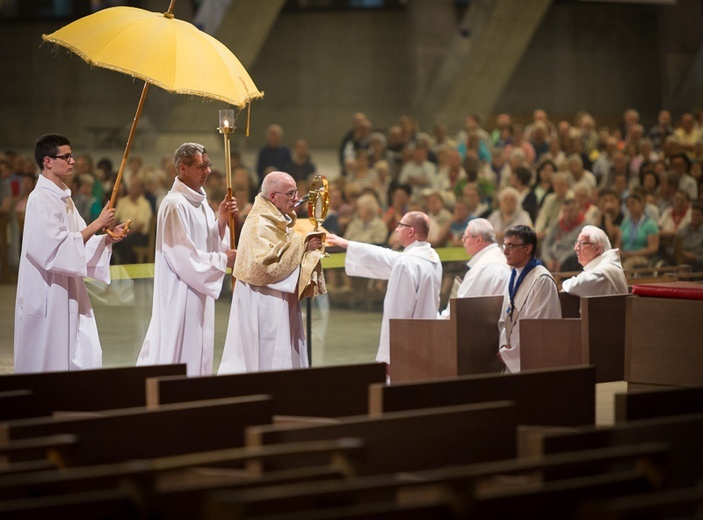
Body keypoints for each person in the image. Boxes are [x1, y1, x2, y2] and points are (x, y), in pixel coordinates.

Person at [14, 134, 127, 373]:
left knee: (84, 352)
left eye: (71, 156)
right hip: (48, 290)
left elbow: (80, 240)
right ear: (48, 161)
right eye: (66, 157)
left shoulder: (64, 199)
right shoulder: (40, 200)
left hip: (69, 289)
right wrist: (97, 224)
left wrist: (106, 237)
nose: (72, 161)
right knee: (49, 357)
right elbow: (53, 249)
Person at [136, 143, 237, 376]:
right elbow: (183, 256)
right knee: (180, 347)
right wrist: (222, 259)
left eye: (208, 165)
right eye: (201, 166)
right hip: (180, 291)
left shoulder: (200, 203)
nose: (208, 171)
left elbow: (206, 240)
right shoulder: (174, 205)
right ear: (183, 168)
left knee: (198, 348)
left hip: (197, 290)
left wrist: (220, 221)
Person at [218, 171, 324, 374]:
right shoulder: (260, 223)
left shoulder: (277, 218)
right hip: (263, 300)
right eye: (290, 193)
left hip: (278, 297)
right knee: (266, 351)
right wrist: (303, 244)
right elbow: (264, 266)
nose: (296, 198)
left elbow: (284, 251)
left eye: (295, 192)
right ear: (273, 197)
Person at [327, 211, 442, 373]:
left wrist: (390, 350)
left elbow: (397, 309)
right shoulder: (431, 257)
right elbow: (388, 256)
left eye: (401, 225)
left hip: (404, 343)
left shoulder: (406, 263)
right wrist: (348, 244)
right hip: (426, 337)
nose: (396, 229)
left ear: (411, 231)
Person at [498, 225, 561, 373]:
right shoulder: (514, 275)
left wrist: (510, 354)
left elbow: (539, 329)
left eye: (511, 246)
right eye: (505, 245)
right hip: (510, 355)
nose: (505, 251)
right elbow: (506, 317)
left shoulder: (542, 280)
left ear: (528, 248)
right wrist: (503, 347)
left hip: (531, 361)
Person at [439, 218, 510, 318]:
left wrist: (440, 319)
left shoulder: (483, 267)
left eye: (465, 237)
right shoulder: (497, 259)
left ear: (478, 240)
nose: (462, 241)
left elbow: (460, 308)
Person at [561, 225, 628, 296]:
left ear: (597, 249)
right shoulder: (603, 267)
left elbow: (573, 286)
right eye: (577, 243)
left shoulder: (605, 271)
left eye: (582, 243)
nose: (576, 248)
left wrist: (564, 284)